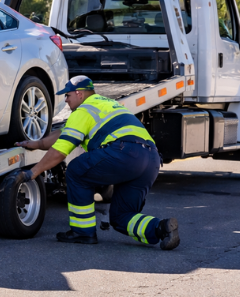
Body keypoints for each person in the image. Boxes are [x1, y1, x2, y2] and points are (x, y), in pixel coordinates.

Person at [13, 75, 180, 250]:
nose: (66, 100)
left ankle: (82, 232)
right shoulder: (105, 104)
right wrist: (37, 144)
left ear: (79, 93)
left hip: (124, 153)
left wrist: (33, 172)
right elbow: (62, 133)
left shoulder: (83, 110)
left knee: (76, 171)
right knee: (121, 217)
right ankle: (162, 228)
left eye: (67, 95)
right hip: (150, 158)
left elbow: (61, 150)